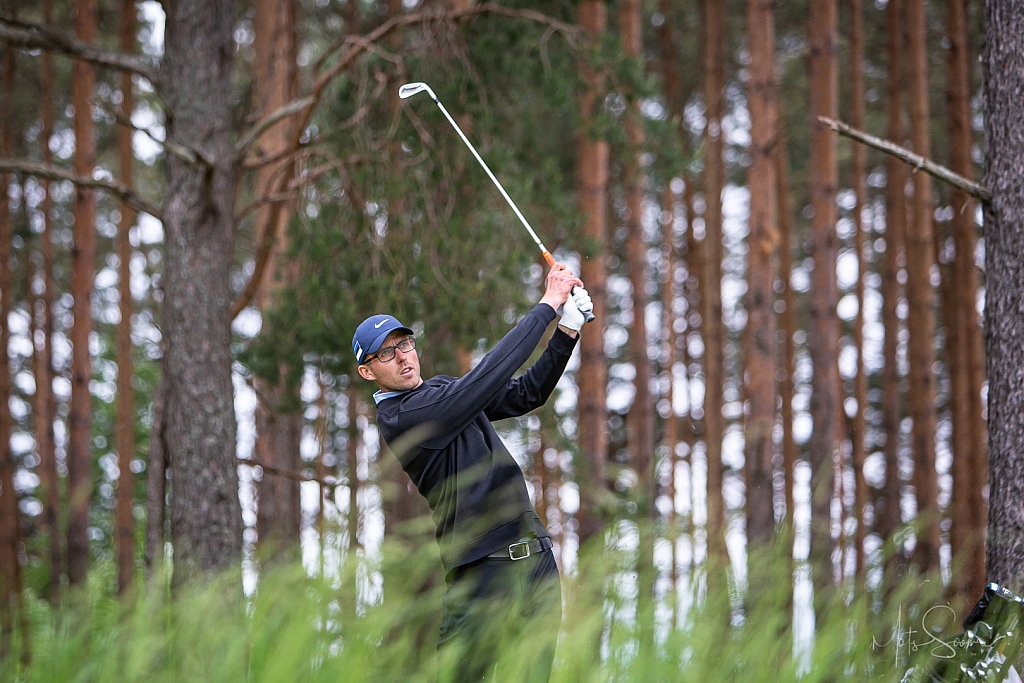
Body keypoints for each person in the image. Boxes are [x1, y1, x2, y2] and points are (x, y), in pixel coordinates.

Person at [352, 262, 593, 683]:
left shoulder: (441, 390)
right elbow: (487, 376)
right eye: (386, 353)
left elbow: (527, 393)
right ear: (368, 371)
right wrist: (547, 305)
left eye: (404, 343)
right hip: (482, 574)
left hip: (535, 559)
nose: (403, 357)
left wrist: (567, 330)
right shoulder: (403, 417)